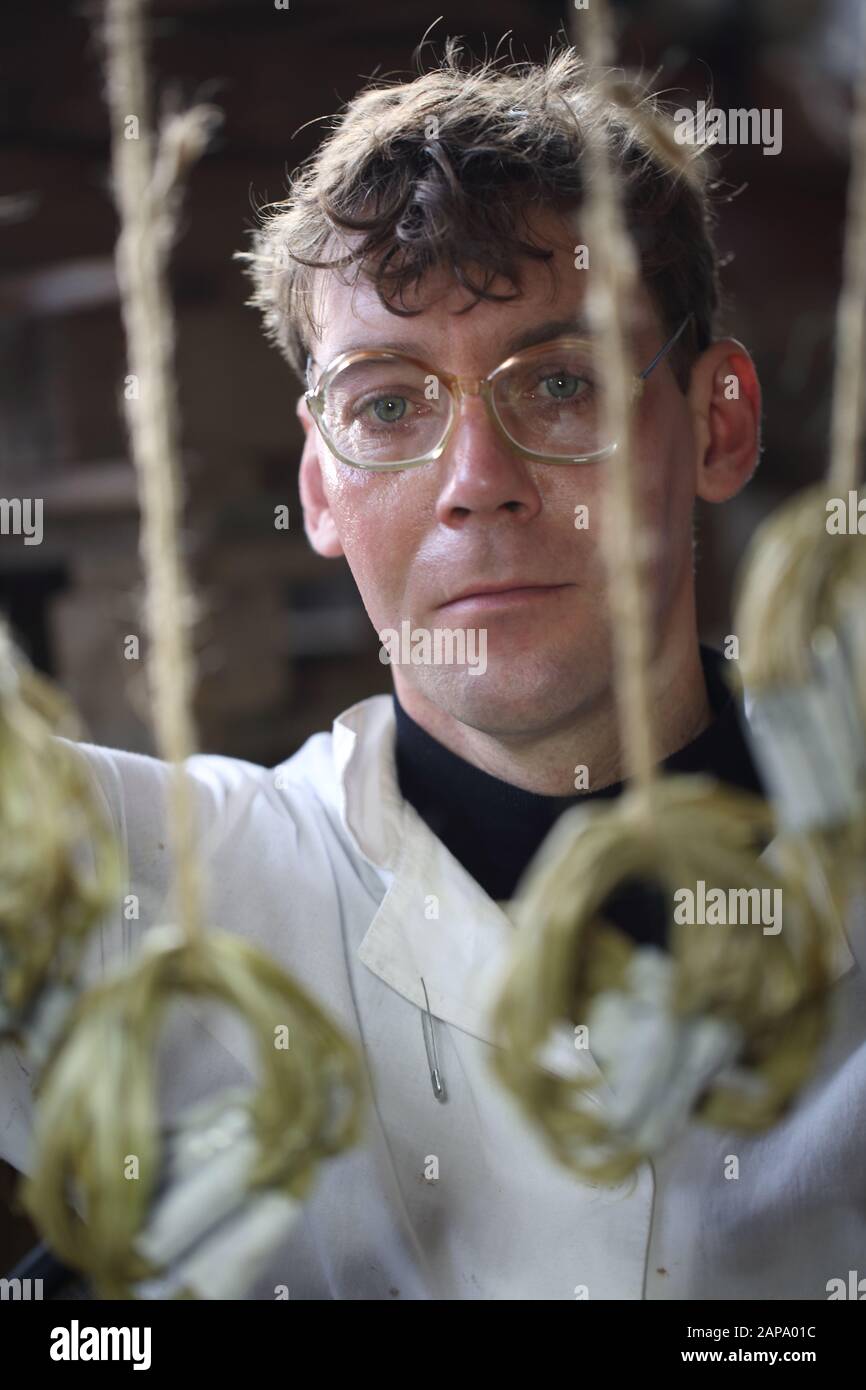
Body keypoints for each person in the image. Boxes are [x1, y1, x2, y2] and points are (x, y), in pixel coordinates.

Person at [1, 43, 863, 1301]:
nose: (475, 484)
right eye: (390, 407)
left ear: (717, 422)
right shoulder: (147, 882)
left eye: (560, 383)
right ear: (319, 484)